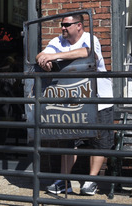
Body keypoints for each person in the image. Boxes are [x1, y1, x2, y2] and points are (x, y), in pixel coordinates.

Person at [35, 13, 113, 196]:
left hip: (99, 99)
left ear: (79, 26)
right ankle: (64, 181)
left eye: (66, 25)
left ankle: (91, 181)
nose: (63, 28)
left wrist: (55, 57)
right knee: (70, 139)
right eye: (62, 25)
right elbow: (41, 54)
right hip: (73, 100)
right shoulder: (57, 40)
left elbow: (88, 53)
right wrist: (44, 61)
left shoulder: (89, 38)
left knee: (99, 142)